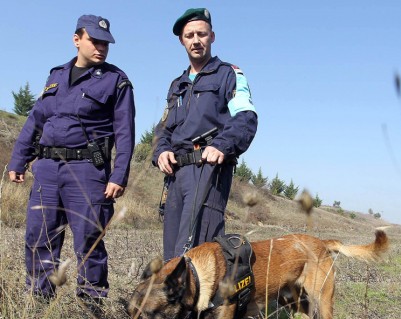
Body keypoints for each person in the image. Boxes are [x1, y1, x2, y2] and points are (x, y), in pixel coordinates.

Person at [8, 15, 135, 302]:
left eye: (105, 43)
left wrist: (119, 175)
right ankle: (38, 305)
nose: (101, 48)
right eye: (94, 41)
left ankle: (91, 313)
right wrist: (19, 160)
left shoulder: (116, 81)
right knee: (39, 239)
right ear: (77, 40)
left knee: (89, 242)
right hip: (47, 169)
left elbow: (125, 132)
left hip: (87, 170)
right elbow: (36, 120)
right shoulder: (56, 76)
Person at [154, 8, 257, 261]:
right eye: (189, 35)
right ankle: (180, 301)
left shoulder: (229, 74)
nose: (196, 40)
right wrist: (161, 150)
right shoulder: (177, 85)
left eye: (201, 34)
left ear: (212, 36)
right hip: (176, 175)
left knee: (198, 252)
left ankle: (212, 301)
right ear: (182, 40)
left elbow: (245, 116)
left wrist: (222, 145)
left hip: (207, 170)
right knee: (173, 258)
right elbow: (164, 128)